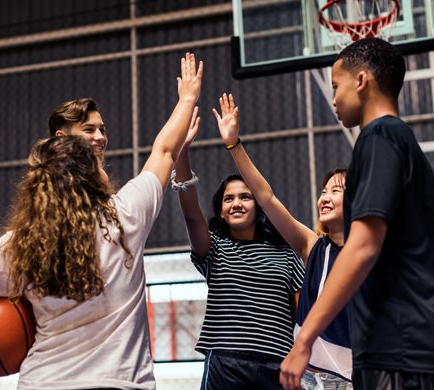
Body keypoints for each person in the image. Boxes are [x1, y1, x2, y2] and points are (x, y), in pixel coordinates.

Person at [0, 53, 203, 390]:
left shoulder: (22, 242)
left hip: (44, 382)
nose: (101, 149)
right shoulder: (125, 217)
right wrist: (187, 99)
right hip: (119, 383)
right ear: (93, 177)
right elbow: (164, 151)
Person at [279, 38, 434, 390]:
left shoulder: (379, 136)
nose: (333, 98)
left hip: (397, 347)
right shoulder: (402, 141)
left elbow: (362, 246)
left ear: (361, 81)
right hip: (403, 346)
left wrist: (304, 340)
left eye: (336, 86)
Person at [213, 93, 352, 389]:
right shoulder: (312, 247)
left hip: (354, 373)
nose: (325, 196)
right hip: (310, 374)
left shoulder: (368, 254)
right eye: (324, 190)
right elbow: (266, 197)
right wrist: (233, 144)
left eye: (336, 191)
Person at [174, 108, 305, 390]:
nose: (236, 203)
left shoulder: (286, 254)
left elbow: (303, 315)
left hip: (279, 364)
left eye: (245, 197)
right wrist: (181, 151)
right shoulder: (215, 250)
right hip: (225, 364)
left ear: (258, 205)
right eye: (228, 199)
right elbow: (191, 215)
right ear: (220, 211)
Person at [47, 97, 111, 183]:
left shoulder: (100, 176)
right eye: (88, 129)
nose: (101, 137)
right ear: (61, 138)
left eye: (102, 130)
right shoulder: (47, 180)